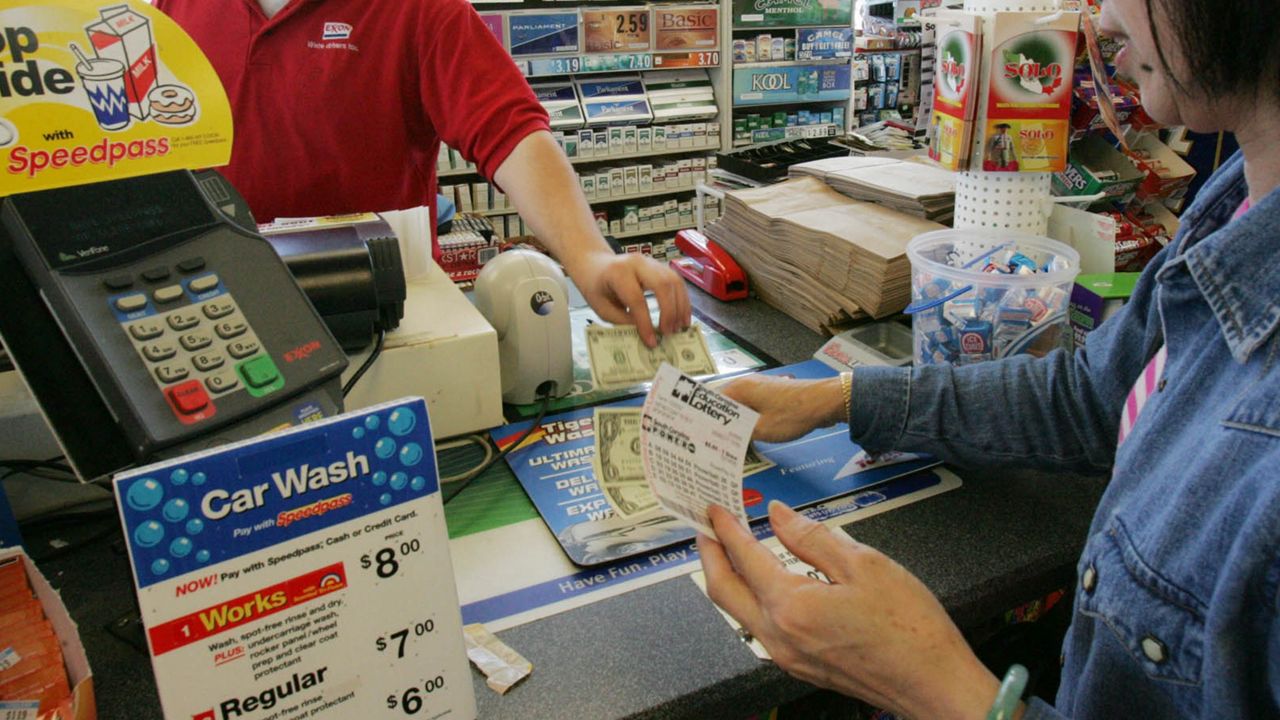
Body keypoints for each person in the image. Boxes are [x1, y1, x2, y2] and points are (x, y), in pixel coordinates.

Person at [700, 0, 1280, 717]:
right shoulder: (1238, 201)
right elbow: (1092, 397)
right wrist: (836, 399)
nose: (1098, 24)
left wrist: (938, 687)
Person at [154, 0, 690, 347]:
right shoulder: (169, 7)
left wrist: (588, 254)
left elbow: (511, 131)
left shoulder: (420, 9)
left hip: (378, 325)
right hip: (208, 316)